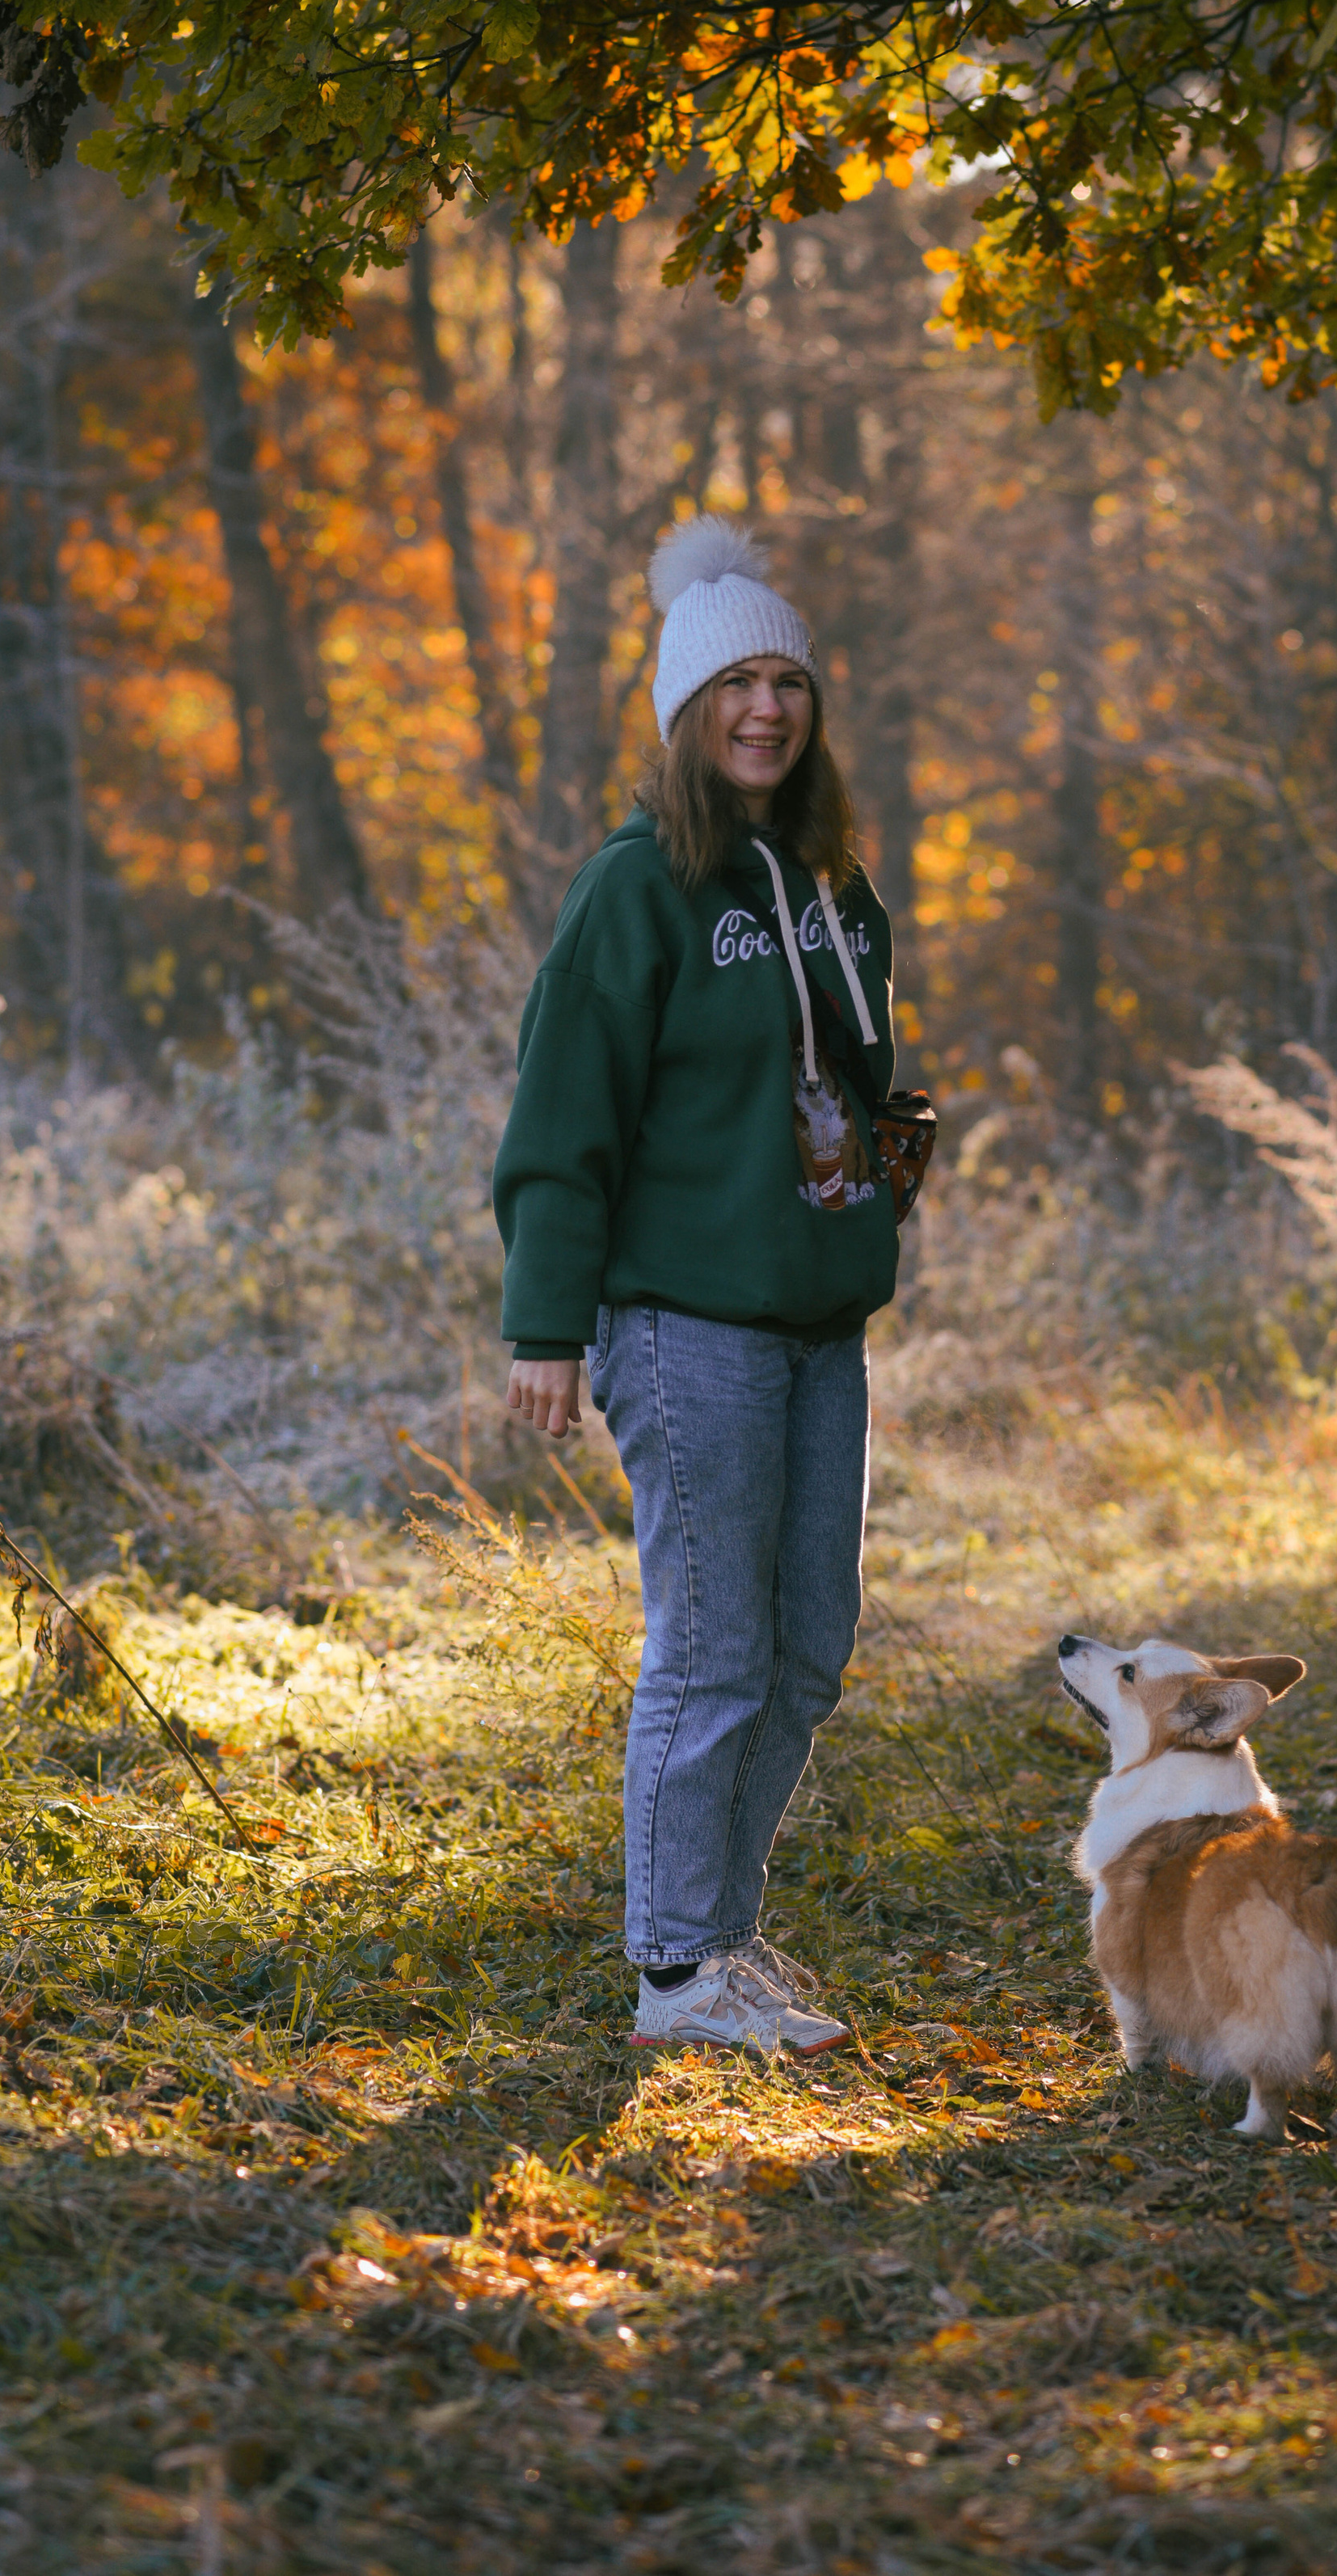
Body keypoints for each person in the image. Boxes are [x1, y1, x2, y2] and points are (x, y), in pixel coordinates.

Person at [493, 515, 900, 2054]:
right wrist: (547, 1323)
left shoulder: (833, 890)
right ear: (685, 708)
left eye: (788, 682)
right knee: (714, 1648)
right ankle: (674, 1970)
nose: (766, 709)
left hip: (818, 1326)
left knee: (805, 1653)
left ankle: (722, 1942)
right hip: (685, 1325)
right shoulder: (636, 888)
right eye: (736, 683)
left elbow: (844, 1085)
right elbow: (563, 1120)